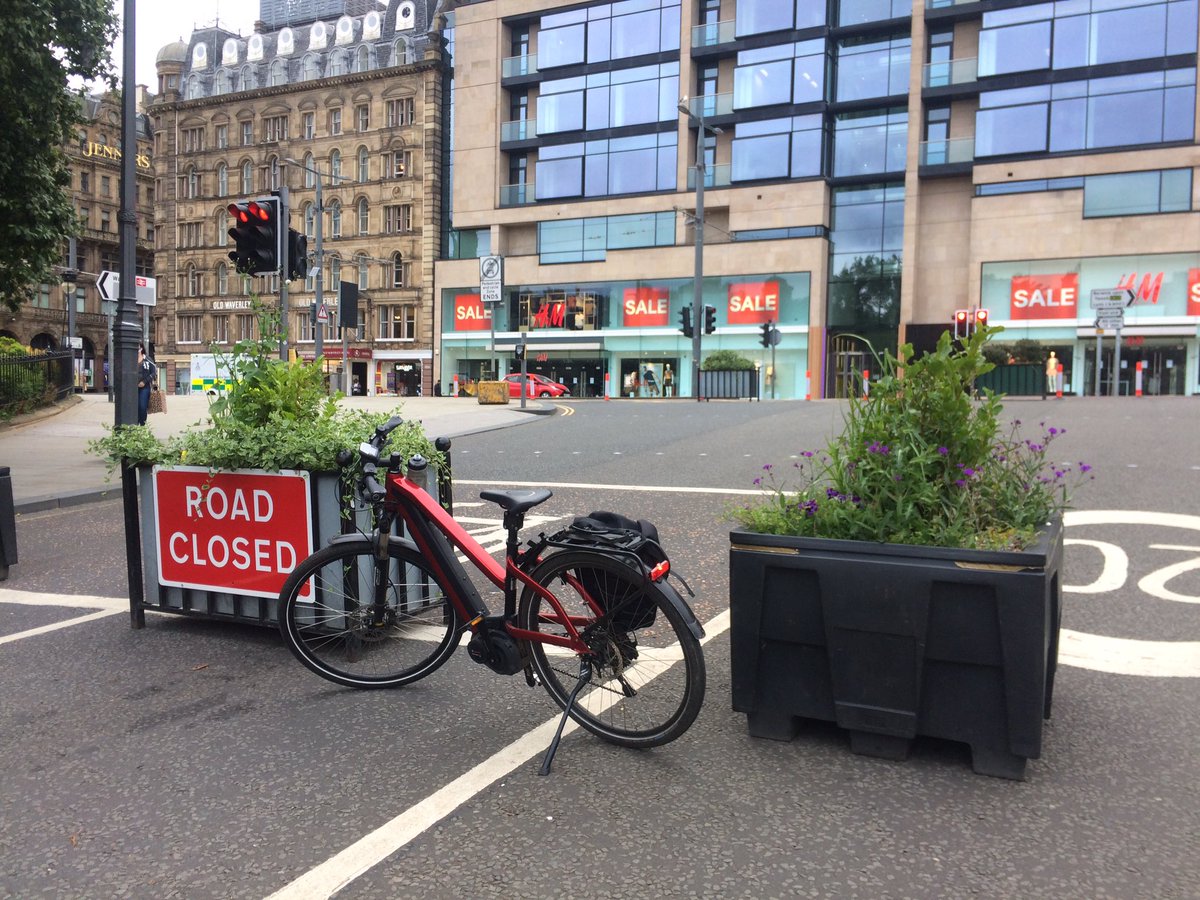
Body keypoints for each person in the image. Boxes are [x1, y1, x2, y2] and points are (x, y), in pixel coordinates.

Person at [137, 345, 156, 426]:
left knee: (142, 406)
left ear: (141, 349)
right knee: (134, 407)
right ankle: (135, 424)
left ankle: (142, 424)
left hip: (144, 387)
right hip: (132, 387)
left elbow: (154, 373)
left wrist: (144, 382)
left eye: (137, 348)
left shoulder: (148, 359)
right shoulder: (130, 359)